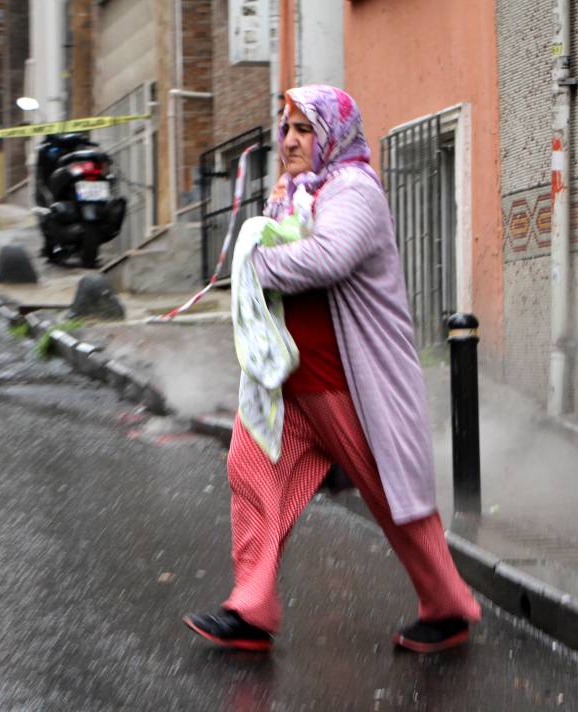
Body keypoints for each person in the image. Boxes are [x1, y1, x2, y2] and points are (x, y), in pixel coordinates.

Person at [183, 85, 482, 654]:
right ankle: (250, 606)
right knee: (249, 474)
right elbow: (289, 240)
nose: (289, 140)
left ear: (333, 136)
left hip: (346, 386)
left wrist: (255, 262)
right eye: (286, 128)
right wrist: (274, 211)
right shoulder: (302, 190)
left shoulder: (355, 190)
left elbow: (326, 259)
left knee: (395, 502)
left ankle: (448, 607)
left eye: (303, 129)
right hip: (288, 385)